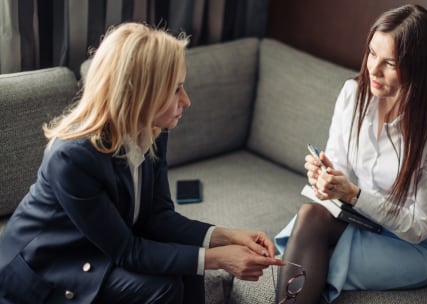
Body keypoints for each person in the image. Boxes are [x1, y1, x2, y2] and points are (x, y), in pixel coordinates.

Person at [0, 22, 282, 304]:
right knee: (166, 286)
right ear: (139, 94)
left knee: (190, 265)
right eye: (176, 90)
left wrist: (227, 236)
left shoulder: (153, 132)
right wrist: (218, 259)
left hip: (102, 246)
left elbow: (157, 216)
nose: (187, 100)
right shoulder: (71, 157)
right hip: (51, 265)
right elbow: (127, 250)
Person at [273, 4, 427, 303]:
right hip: (360, 219)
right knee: (309, 214)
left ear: (420, 67)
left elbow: (419, 227)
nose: (372, 69)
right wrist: (325, 177)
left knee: (312, 253)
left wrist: (353, 194)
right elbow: (339, 165)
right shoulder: (353, 93)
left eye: (389, 63)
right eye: (372, 53)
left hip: (413, 245)